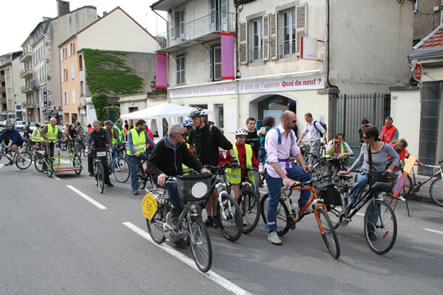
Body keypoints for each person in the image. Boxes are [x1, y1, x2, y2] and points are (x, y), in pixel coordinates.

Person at [147, 124, 210, 248]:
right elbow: (151, 164)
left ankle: (191, 226)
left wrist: (201, 169)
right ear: (176, 135)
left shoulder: (180, 145)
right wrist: (160, 174)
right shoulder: (161, 145)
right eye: (183, 134)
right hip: (164, 179)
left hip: (178, 178)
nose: (185, 137)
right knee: (177, 203)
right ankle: (177, 233)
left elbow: (189, 158)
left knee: (190, 200)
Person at [339, 126, 399, 240]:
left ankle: (370, 230)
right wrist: (349, 170)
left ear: (372, 138)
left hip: (379, 176)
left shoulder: (386, 147)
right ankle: (350, 202)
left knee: (376, 203)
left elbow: (396, 157)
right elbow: (359, 160)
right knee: (361, 181)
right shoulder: (365, 147)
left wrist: (391, 168)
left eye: (365, 137)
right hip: (365, 172)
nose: (363, 139)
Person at [265, 111, 312, 245]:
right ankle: (271, 230)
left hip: (286, 164)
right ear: (285, 121)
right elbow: (272, 158)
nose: (296, 123)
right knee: (274, 199)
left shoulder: (290, 133)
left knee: (307, 175)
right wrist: (284, 177)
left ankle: (302, 205)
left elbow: (295, 150)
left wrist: (304, 165)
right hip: (274, 169)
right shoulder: (273, 134)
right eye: (294, 121)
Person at [189, 107, 235, 227]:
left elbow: (228, 145)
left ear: (202, 118)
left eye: (195, 119)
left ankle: (215, 216)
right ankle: (209, 217)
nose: (193, 121)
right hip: (200, 167)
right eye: (192, 119)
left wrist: (233, 158)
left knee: (213, 193)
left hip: (213, 167)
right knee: (206, 193)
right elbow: (190, 148)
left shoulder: (212, 130)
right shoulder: (193, 132)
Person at [225, 128, 259, 223]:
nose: (241, 139)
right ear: (236, 138)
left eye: (243, 137)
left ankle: (242, 215)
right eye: (239, 137)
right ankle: (224, 206)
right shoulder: (232, 148)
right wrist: (231, 164)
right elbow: (227, 160)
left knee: (246, 197)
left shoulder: (248, 147)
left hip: (246, 174)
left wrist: (259, 168)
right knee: (236, 196)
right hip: (236, 176)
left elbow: (254, 160)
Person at [127, 119, 156, 195]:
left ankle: (148, 174)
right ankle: (135, 189)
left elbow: (150, 141)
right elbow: (130, 144)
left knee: (151, 160)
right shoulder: (131, 132)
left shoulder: (144, 132)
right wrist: (134, 152)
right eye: (143, 125)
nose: (144, 126)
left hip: (141, 153)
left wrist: (157, 148)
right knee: (134, 171)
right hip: (132, 154)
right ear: (139, 125)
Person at [84, 121, 113, 187]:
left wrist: (110, 147)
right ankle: (91, 171)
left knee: (105, 166)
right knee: (90, 155)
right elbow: (89, 141)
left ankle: (107, 181)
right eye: (94, 126)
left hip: (103, 148)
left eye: (97, 126)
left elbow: (108, 140)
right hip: (95, 148)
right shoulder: (92, 133)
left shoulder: (104, 131)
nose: (96, 128)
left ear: (100, 126)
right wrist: (87, 148)